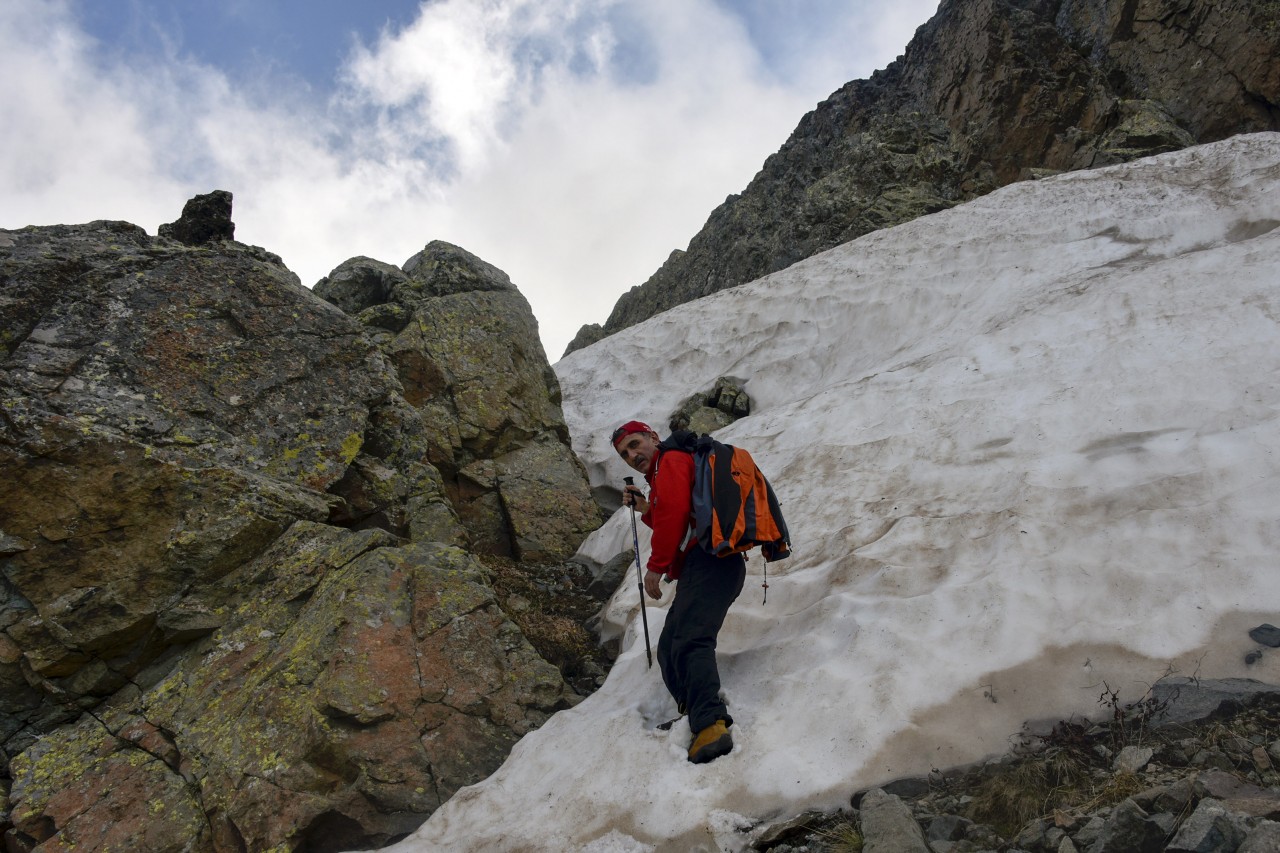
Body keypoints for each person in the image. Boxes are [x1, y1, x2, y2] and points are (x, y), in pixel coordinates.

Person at [611, 420, 746, 764]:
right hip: (706, 564)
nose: (632, 455)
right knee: (671, 644)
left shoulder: (670, 460)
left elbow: (673, 516)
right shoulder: (666, 469)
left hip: (711, 562)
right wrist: (646, 508)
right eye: (625, 453)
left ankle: (710, 725)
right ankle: (693, 715)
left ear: (653, 437)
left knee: (690, 640)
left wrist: (656, 565)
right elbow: (681, 516)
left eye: (635, 444)